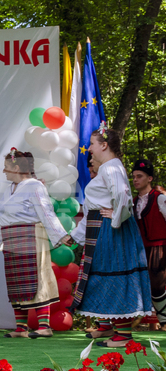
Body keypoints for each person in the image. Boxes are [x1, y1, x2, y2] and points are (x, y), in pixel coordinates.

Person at [71, 125, 152, 347]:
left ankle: (124, 335)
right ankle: (111, 328)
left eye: (92, 144)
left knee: (114, 274)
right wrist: (76, 235)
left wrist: (115, 217)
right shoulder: (109, 167)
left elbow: (123, 197)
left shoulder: (111, 167)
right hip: (104, 226)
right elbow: (94, 207)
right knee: (103, 275)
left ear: (104, 145)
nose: (89, 148)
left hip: (112, 229)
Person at [0, 148, 70, 339]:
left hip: (31, 235)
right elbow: (1, 218)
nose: (4, 171)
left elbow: (46, 211)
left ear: (16, 168)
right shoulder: (9, 190)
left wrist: (60, 235)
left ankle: (44, 326)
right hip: (11, 238)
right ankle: (21, 327)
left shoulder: (35, 185)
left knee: (38, 278)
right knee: (16, 281)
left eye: (6, 167)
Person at [132, 158, 166, 327]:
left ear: (150, 178)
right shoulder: (133, 202)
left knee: (157, 284)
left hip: (159, 247)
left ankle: (164, 321)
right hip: (141, 249)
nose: (135, 180)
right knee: (148, 287)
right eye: (134, 177)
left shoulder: (160, 198)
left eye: (139, 176)